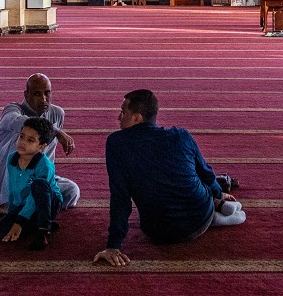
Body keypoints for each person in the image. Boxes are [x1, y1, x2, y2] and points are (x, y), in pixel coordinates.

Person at [93, 89, 246, 267]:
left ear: (137, 118)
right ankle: (216, 206)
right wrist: (217, 193)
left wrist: (114, 245)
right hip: (199, 217)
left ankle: (216, 210)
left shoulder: (116, 143)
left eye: (123, 112)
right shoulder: (181, 136)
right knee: (195, 173)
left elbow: (120, 197)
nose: (119, 117)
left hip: (158, 232)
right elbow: (206, 173)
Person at [0, 74, 80, 215]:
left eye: (47, 93)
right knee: (22, 137)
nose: (43, 99)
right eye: (37, 94)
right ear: (26, 95)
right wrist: (56, 131)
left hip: (31, 175)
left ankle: (26, 205)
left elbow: (47, 155)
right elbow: (20, 123)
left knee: (71, 191)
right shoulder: (12, 110)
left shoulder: (57, 113)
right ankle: (4, 202)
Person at [0, 116, 63, 251]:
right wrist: (12, 214)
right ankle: (37, 223)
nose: (22, 142)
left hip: (48, 203)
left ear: (41, 147)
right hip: (25, 204)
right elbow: (12, 188)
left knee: (39, 185)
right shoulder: (12, 158)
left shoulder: (44, 165)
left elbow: (34, 198)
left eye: (30, 140)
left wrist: (19, 222)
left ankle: (43, 230)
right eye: (22, 136)